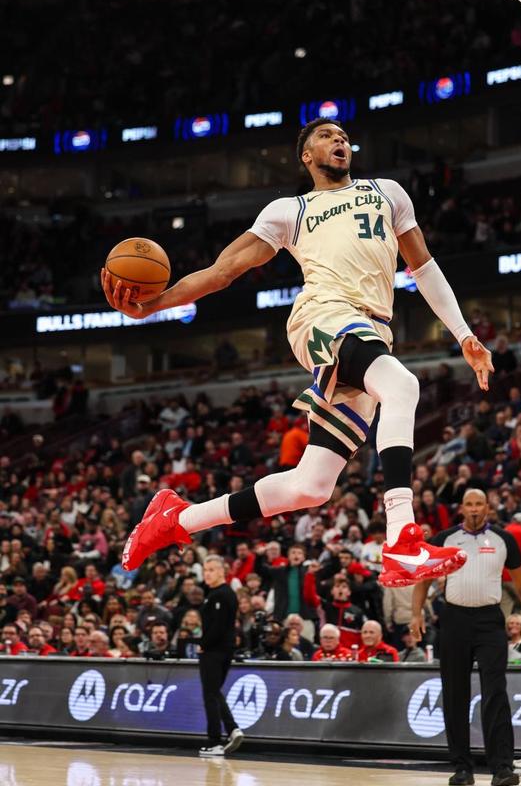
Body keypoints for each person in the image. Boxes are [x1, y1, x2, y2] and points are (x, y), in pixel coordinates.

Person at [103, 118, 494, 586]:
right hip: (324, 315)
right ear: (307, 155)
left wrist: (464, 335)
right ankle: (402, 540)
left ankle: (176, 519)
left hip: (372, 330)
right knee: (402, 385)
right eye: (326, 136)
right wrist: (155, 305)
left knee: (311, 486)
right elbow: (223, 270)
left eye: (343, 136)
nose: (339, 140)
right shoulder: (291, 210)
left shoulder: (388, 193)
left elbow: (424, 267)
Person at [411, 489, 521, 786]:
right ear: (462, 508)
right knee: (454, 693)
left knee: (495, 691)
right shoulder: (445, 539)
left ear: (487, 508)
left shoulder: (503, 539)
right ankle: (462, 768)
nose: (474, 509)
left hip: (490, 621)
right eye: (469, 504)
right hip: (454, 620)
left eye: (479, 504)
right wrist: (416, 613)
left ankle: (502, 768)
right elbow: (423, 578)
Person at [198, 555, 243, 758]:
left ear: (221, 571)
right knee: (214, 692)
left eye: (211, 570)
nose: (207, 574)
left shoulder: (221, 594)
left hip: (214, 651)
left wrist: (204, 644)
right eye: (205, 570)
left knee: (210, 695)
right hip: (223, 649)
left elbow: (218, 626)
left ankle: (215, 742)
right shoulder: (219, 593)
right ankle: (232, 729)